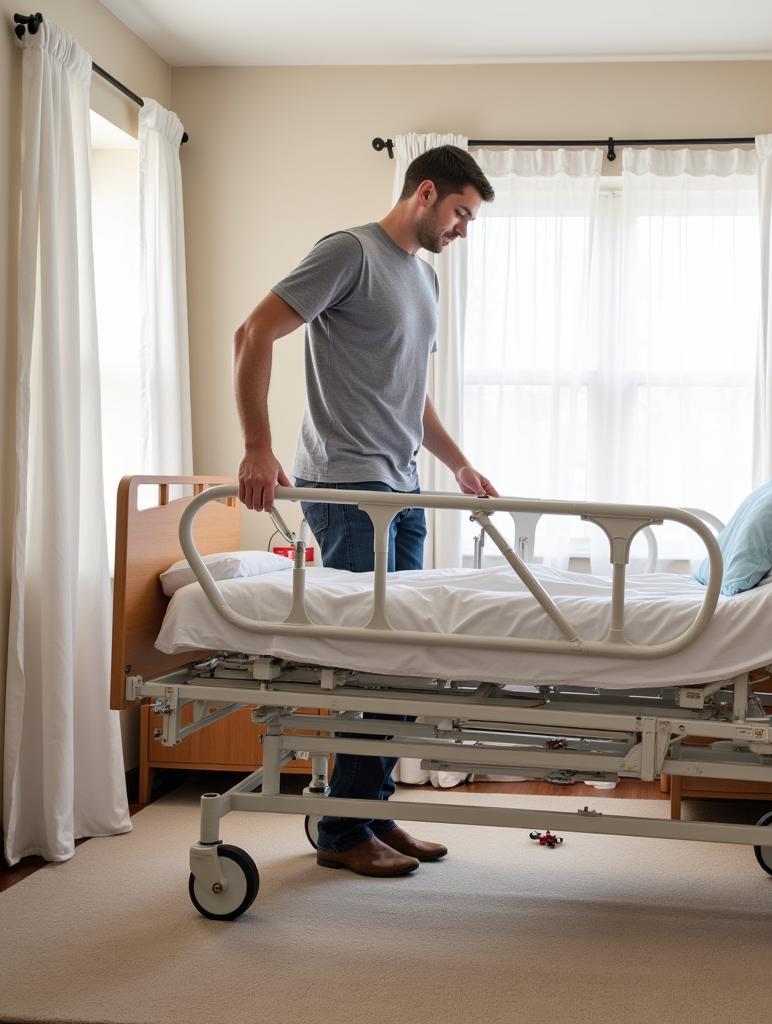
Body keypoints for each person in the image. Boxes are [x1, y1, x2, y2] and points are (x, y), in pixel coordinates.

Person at [233, 145, 497, 877]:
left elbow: (410, 393)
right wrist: (257, 445)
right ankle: (344, 833)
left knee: (397, 661)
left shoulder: (425, 280)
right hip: (349, 489)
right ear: (425, 193)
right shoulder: (348, 253)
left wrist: (457, 462)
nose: (463, 230)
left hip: (402, 487)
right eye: (461, 214)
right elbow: (253, 333)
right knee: (370, 663)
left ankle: (371, 812)